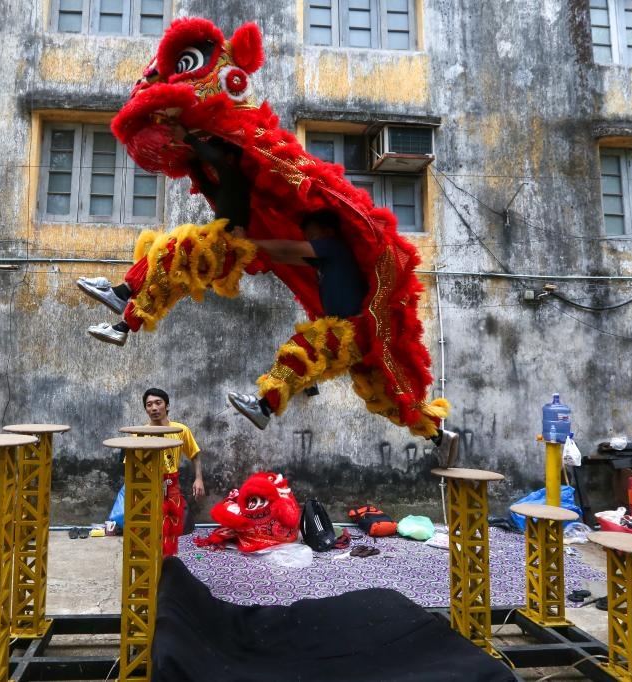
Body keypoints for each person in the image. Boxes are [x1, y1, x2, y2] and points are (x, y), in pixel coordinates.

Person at [225, 211, 459, 464]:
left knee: (303, 347)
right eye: (308, 236)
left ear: (328, 232)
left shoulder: (334, 247)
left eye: (313, 234)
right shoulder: (324, 260)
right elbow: (283, 255)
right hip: (357, 337)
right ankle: (438, 435)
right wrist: (248, 247)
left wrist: (250, 241)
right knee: (381, 396)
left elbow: (289, 247)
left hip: (352, 328)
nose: (310, 238)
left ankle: (263, 407)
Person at [78, 124, 255, 346]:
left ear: (228, 157)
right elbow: (202, 178)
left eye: (214, 157)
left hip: (222, 253)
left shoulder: (235, 178)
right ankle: (123, 326)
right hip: (217, 257)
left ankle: (122, 292)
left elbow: (218, 162)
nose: (210, 163)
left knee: (169, 248)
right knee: (162, 279)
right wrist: (187, 156)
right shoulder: (224, 187)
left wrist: (188, 137)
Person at [142, 388, 204, 556]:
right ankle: (150, 563)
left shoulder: (180, 430)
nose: (154, 408)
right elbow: (130, 463)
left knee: (172, 524)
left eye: (158, 403)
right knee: (149, 524)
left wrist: (198, 479)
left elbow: (195, 454)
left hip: (172, 483)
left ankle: (168, 561)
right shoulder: (140, 434)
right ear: (146, 409)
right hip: (148, 484)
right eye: (149, 405)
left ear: (167, 406)